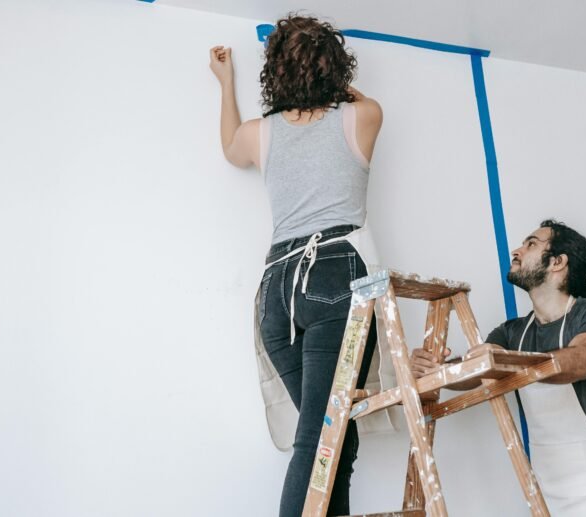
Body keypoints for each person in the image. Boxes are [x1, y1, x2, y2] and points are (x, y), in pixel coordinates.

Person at [210, 14, 389, 517]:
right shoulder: (364, 115)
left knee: (337, 438)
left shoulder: (260, 133)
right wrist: (327, 80)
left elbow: (229, 147)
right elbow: (355, 98)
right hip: (335, 275)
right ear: (336, 68)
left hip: (277, 292)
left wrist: (226, 83)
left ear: (275, 75)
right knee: (320, 437)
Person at [411, 220, 586, 516]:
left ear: (558, 262)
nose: (516, 251)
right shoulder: (512, 332)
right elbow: (473, 375)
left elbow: (582, 360)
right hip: (548, 493)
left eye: (531, 244)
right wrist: (437, 369)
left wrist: (507, 360)